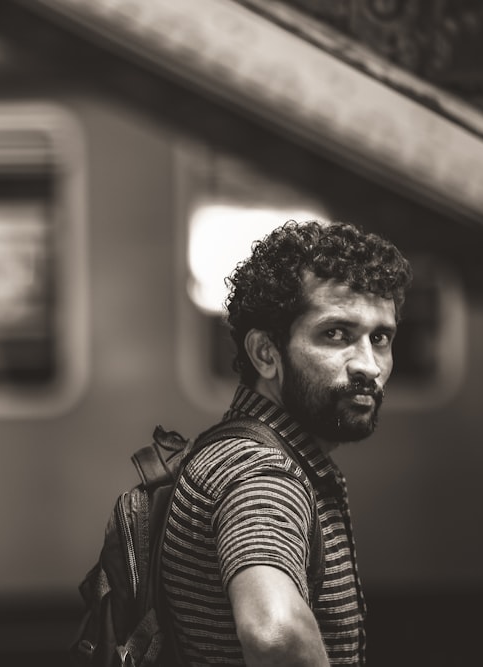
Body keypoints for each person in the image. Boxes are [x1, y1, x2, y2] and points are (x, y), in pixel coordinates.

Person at [161, 220, 412, 666]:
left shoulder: (235, 451)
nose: (369, 365)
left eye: (380, 338)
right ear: (266, 353)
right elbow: (273, 632)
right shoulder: (262, 472)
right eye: (336, 334)